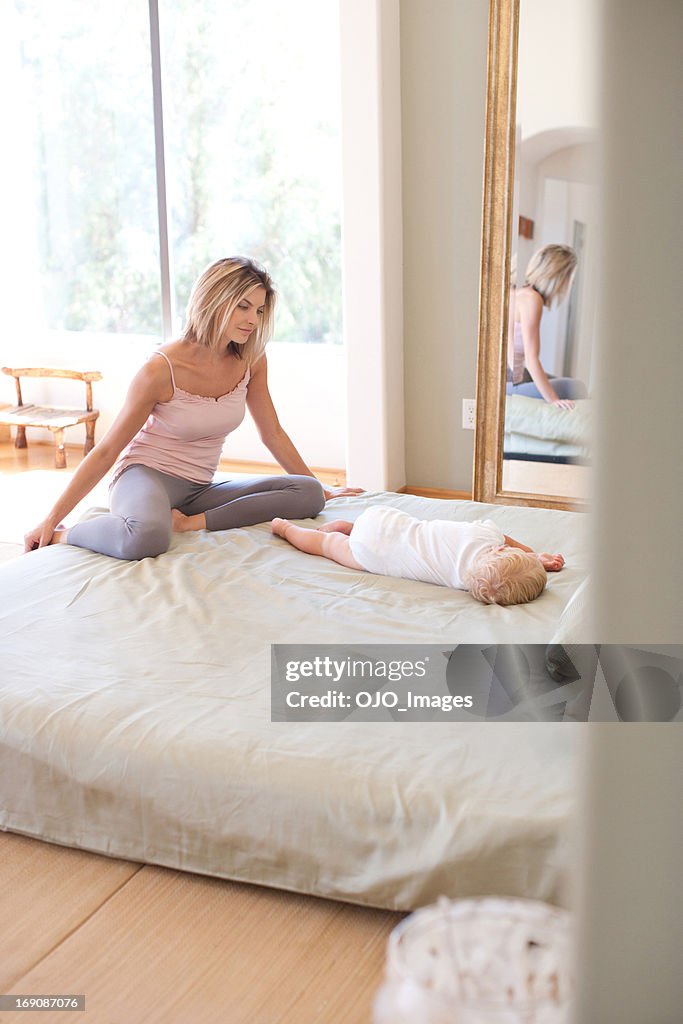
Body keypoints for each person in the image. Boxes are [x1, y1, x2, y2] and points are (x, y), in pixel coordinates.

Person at [24, 257, 361, 559]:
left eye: (259, 310)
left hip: (199, 489)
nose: (252, 320)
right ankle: (64, 536)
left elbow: (272, 433)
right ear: (214, 302)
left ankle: (189, 524)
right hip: (146, 476)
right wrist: (51, 519)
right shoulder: (161, 368)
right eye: (243, 307)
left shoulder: (251, 360)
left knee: (308, 493)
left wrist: (324, 488)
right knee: (148, 538)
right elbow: (108, 449)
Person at [271, 507, 564, 606]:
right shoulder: (469, 581)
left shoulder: (486, 536)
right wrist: (531, 561)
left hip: (384, 519)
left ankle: (340, 526)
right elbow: (501, 579)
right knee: (327, 545)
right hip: (370, 554)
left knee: (391, 531)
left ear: (500, 550)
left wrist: (532, 553)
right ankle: (288, 530)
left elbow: (507, 541)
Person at [507, 243, 588, 409]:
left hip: (515, 376)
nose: (570, 285)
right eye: (570, 278)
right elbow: (531, 359)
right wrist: (554, 401)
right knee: (576, 388)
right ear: (557, 276)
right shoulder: (531, 300)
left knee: (555, 379)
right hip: (509, 385)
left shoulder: (519, 293)